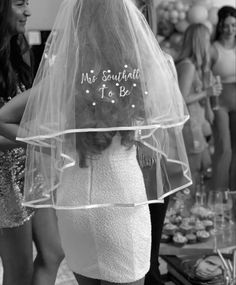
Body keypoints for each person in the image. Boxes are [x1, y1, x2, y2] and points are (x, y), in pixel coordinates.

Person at [0, 0, 191, 284]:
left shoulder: (65, 77)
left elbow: (3, 116)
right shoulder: (140, 71)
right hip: (122, 202)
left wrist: (49, 141)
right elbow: (165, 127)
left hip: (75, 206)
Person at [0, 1, 64, 285]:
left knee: (53, 253)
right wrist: (33, 140)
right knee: (19, 271)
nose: (28, 12)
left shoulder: (20, 49)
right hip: (3, 181)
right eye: (19, 3)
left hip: (31, 169)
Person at [176, 23, 222, 195]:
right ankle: (187, 215)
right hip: (189, 127)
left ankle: (192, 212)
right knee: (193, 173)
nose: (209, 44)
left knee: (202, 168)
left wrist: (207, 97)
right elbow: (180, 99)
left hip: (196, 124)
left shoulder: (194, 66)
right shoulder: (187, 66)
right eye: (207, 40)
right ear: (200, 42)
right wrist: (206, 92)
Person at [210, 6, 236, 191]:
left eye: (234, 25)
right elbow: (203, 76)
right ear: (220, 26)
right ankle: (218, 197)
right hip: (219, 103)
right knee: (224, 149)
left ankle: (233, 194)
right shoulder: (213, 49)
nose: (230, 30)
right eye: (226, 26)